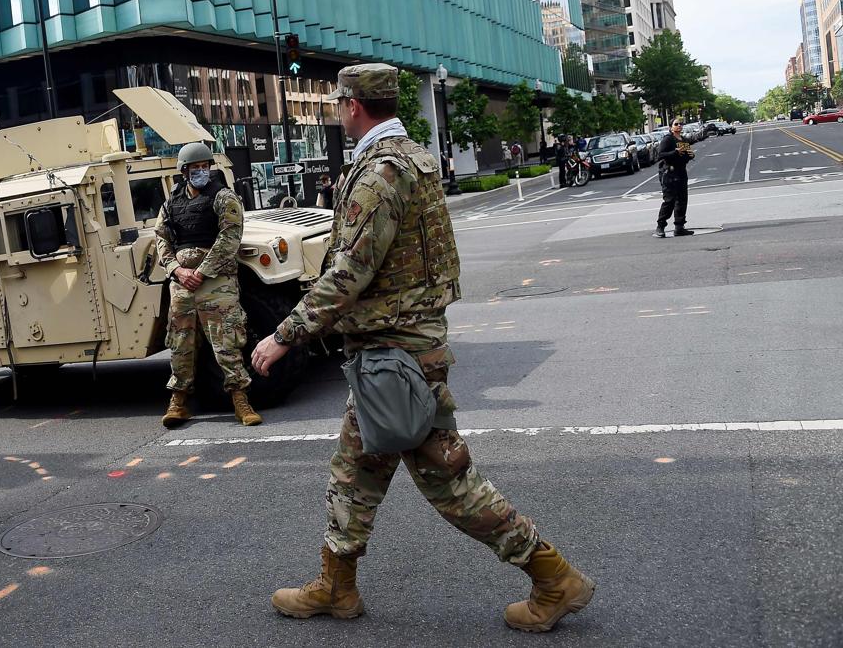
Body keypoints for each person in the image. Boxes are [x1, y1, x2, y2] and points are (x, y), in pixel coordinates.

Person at [251, 64, 594, 632]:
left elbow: (348, 274)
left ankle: (552, 576)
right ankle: (337, 586)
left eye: (340, 104)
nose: (339, 112)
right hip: (393, 353)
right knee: (354, 472)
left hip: (397, 356)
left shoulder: (380, 173)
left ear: (353, 106)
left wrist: (282, 336)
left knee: (449, 482)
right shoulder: (411, 158)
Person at [155, 142, 262, 428]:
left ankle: (241, 400)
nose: (201, 171)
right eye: (195, 168)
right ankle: (178, 401)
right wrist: (176, 269)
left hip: (216, 281)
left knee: (227, 340)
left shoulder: (223, 197)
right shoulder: (171, 203)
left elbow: (230, 237)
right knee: (179, 342)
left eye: (205, 166)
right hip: (182, 284)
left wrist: (201, 272)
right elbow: (161, 240)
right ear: (184, 171)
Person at [655, 119, 695, 238]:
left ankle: (679, 227)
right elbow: (660, 155)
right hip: (669, 173)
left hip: (681, 172)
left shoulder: (684, 140)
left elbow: (686, 157)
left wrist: (690, 155)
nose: (679, 126)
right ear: (671, 127)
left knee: (682, 200)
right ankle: (660, 226)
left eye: (680, 124)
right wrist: (674, 152)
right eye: (676, 124)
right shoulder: (668, 139)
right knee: (669, 201)